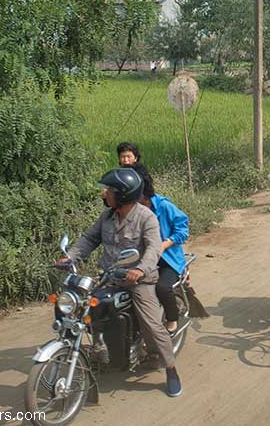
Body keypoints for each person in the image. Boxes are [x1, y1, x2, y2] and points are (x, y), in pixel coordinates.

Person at [59, 168, 182, 398]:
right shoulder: (107, 216)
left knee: (152, 325)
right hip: (109, 276)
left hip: (139, 280)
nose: (104, 193)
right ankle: (100, 349)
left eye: (109, 190)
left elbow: (154, 248)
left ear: (123, 195)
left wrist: (139, 270)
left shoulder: (147, 217)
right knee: (86, 308)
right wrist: (71, 257)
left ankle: (171, 369)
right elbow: (90, 239)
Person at [133, 165, 190, 334]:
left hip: (168, 260)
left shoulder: (164, 206)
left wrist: (166, 243)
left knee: (162, 287)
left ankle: (172, 319)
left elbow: (183, 230)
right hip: (143, 260)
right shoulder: (131, 210)